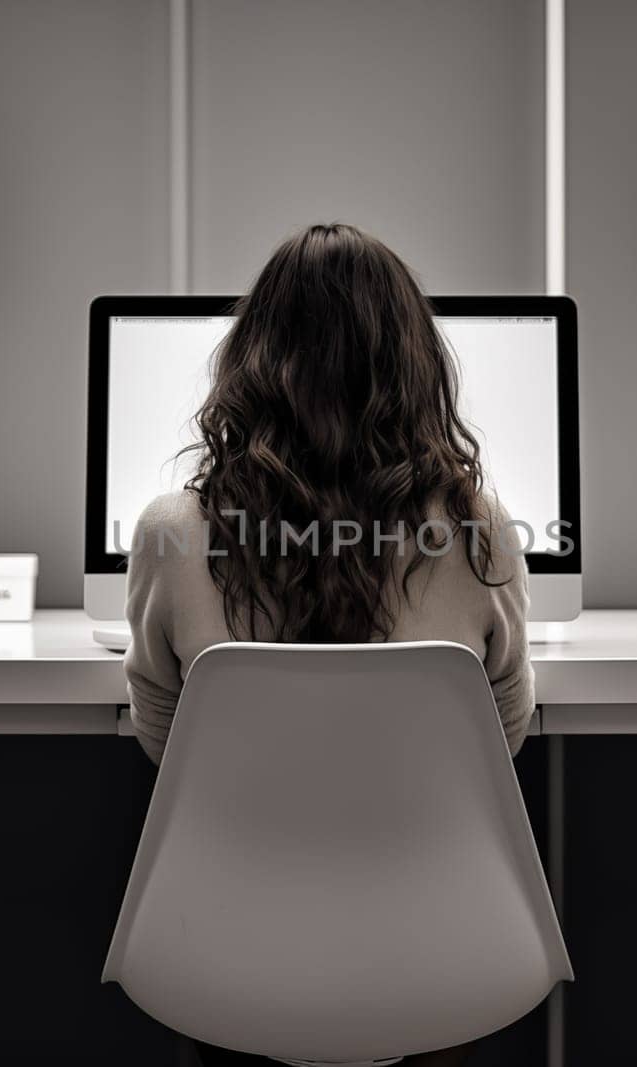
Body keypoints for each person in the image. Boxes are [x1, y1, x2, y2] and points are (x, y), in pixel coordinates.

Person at [122, 223, 534, 1067]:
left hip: (230, 957)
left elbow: (168, 746)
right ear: (418, 370)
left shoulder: (171, 532)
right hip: (433, 954)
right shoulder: (481, 531)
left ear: (250, 368)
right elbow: (505, 737)